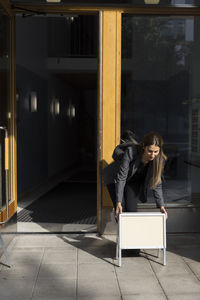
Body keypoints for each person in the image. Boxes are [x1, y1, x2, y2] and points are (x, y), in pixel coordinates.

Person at [103, 131, 168, 222]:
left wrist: (161, 206)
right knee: (121, 210)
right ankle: (123, 234)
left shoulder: (159, 159)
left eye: (156, 152)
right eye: (150, 151)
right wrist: (118, 202)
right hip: (116, 178)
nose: (153, 155)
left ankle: (130, 234)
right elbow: (121, 177)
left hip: (133, 182)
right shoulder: (131, 152)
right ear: (144, 147)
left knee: (131, 211)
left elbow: (157, 183)